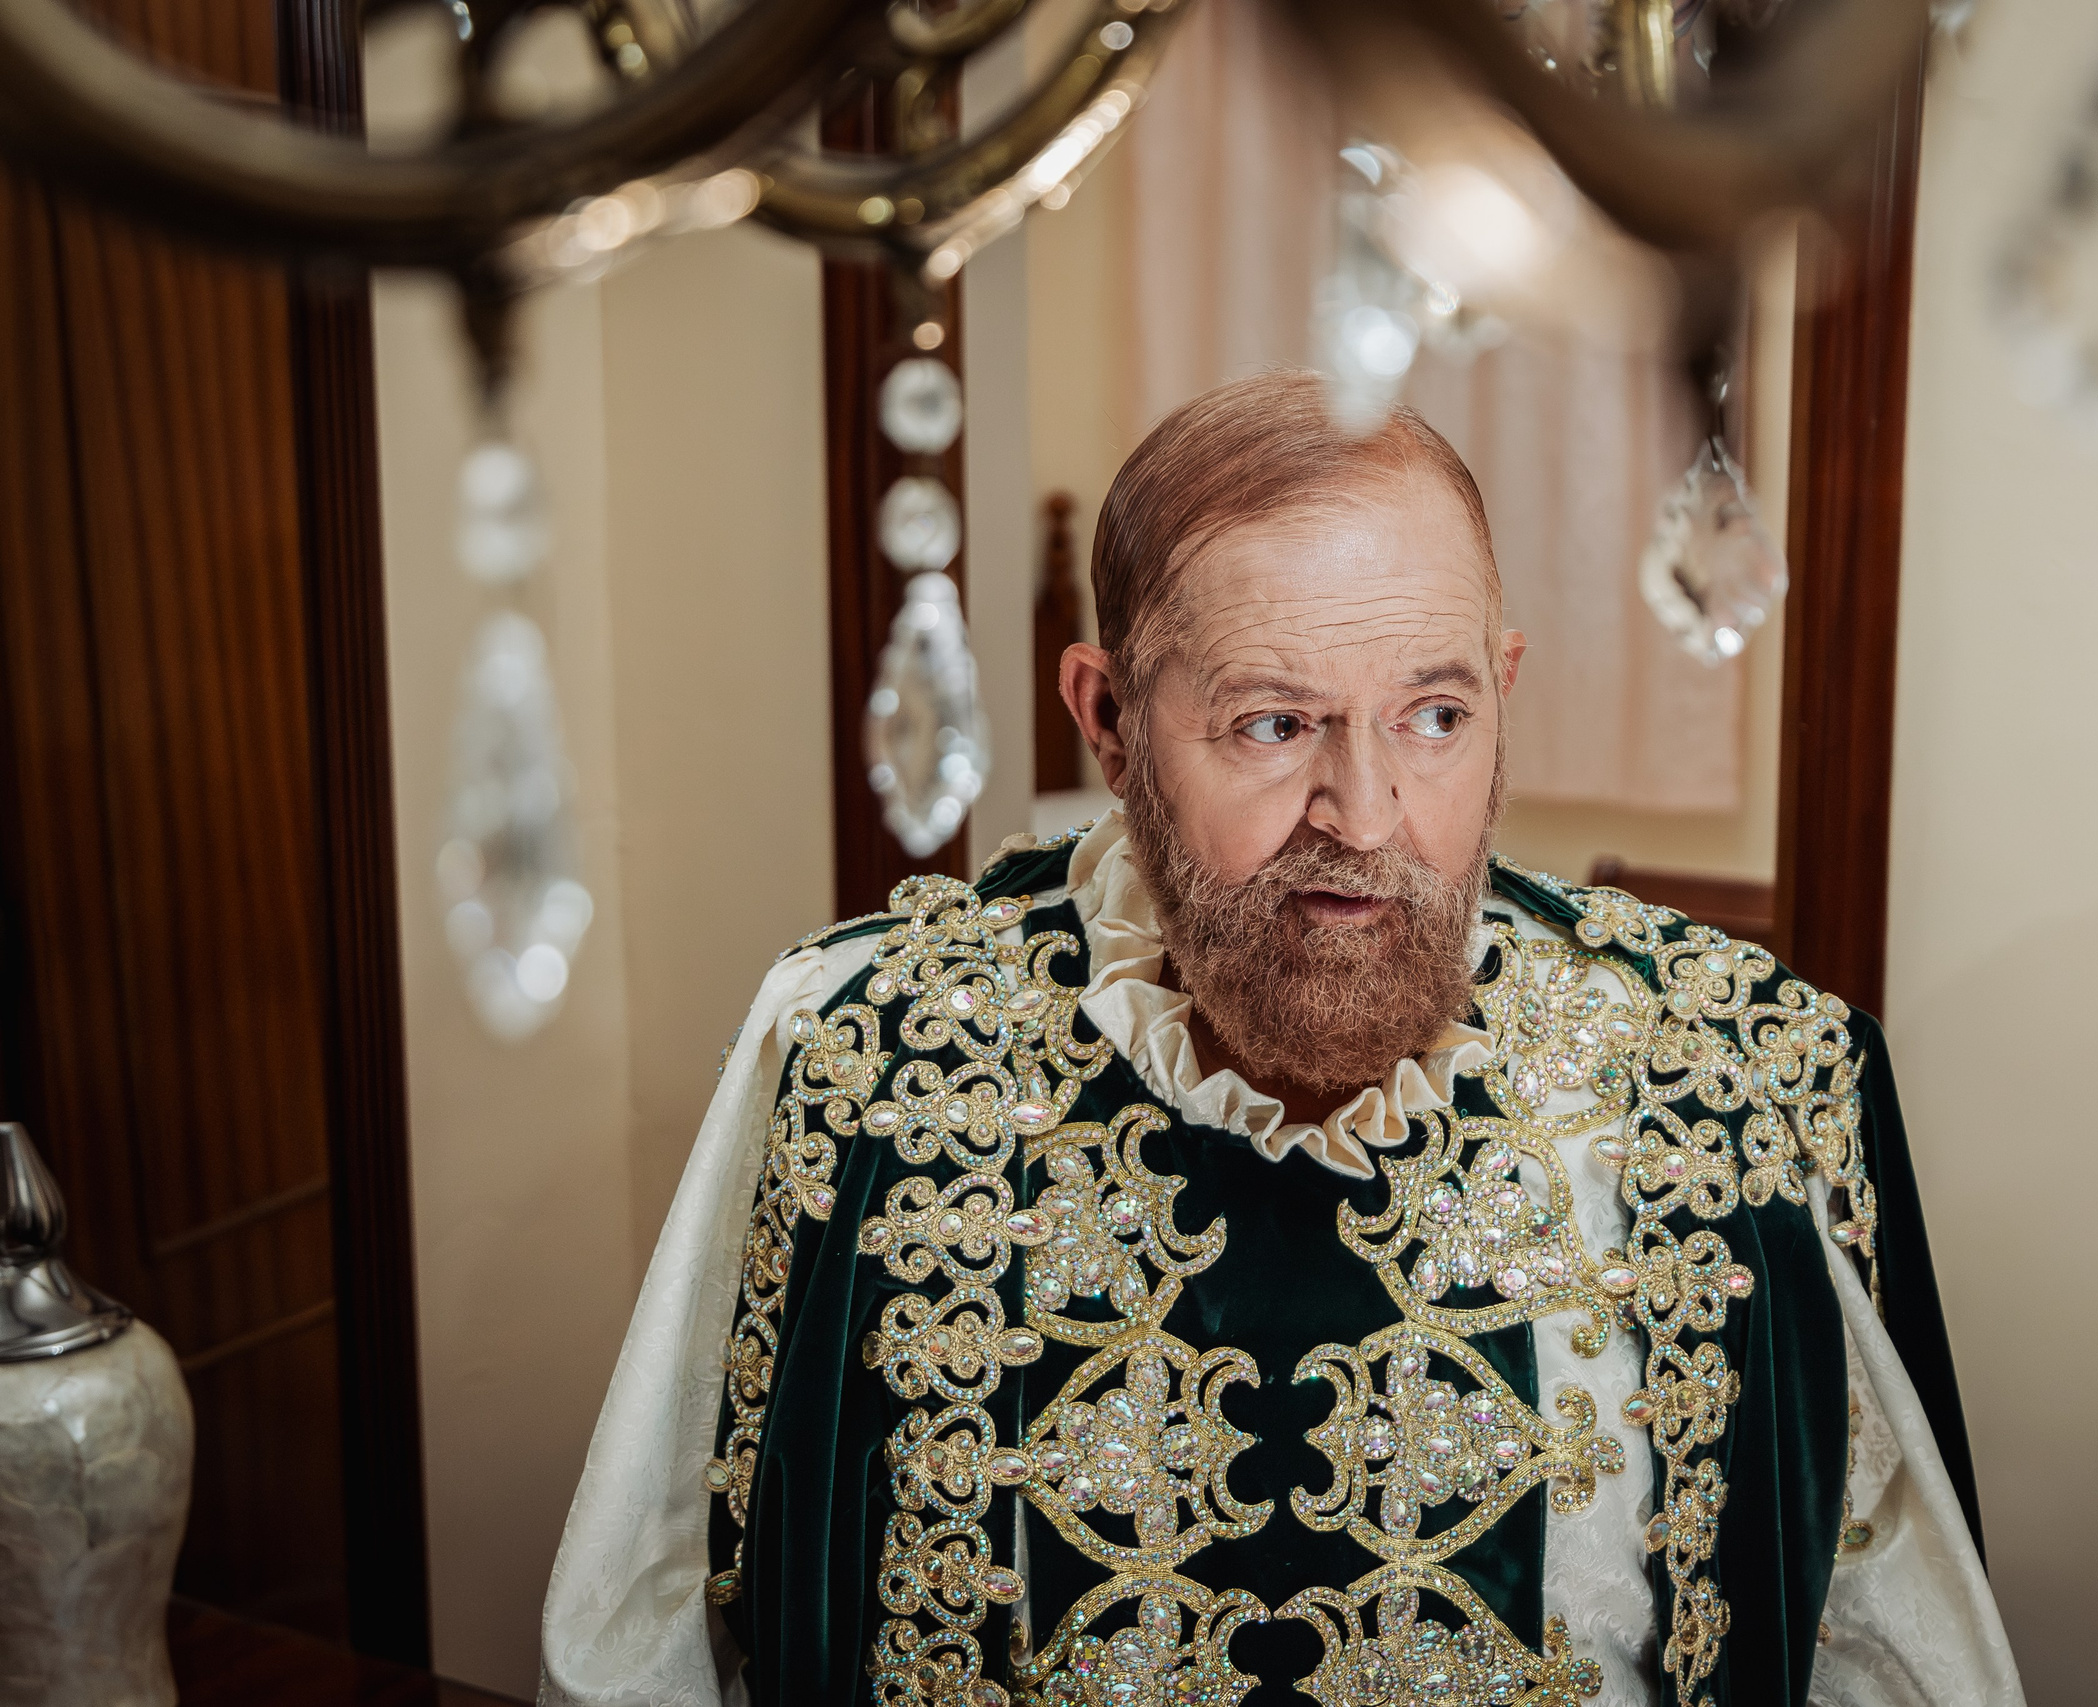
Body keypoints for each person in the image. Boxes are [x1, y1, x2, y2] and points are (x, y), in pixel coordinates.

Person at [536, 370, 2022, 1707]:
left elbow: (1897, 1659)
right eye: (1271, 725)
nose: (1365, 819)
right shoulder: (854, 1054)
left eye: (1433, 717)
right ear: (1109, 723)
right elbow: (639, 1633)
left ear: (1501, 695)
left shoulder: (1746, 1084)